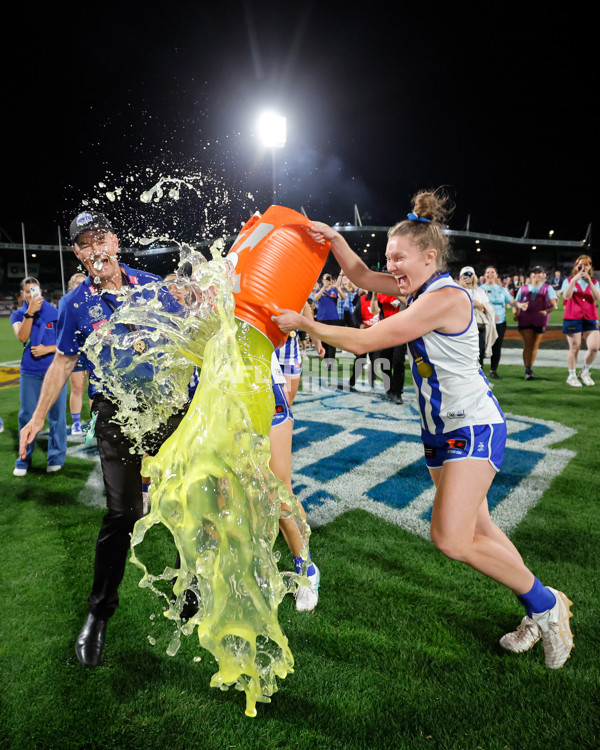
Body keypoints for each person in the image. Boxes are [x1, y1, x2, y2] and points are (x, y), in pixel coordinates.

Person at [272, 189, 573, 670]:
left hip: (474, 426)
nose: (391, 268)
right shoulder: (417, 288)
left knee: (451, 538)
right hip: (440, 431)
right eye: (389, 257)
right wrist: (332, 239)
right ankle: (539, 606)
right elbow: (361, 276)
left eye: (399, 258)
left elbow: (370, 339)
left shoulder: (445, 296)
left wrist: (309, 324)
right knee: (481, 527)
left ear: (430, 256)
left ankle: (548, 605)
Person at [18, 211, 186, 668]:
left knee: (191, 495)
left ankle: (190, 583)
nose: (95, 250)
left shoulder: (151, 286)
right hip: (114, 410)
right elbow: (62, 364)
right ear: (77, 253)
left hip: (167, 406)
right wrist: (35, 419)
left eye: (100, 239)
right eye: (84, 244)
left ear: (115, 240)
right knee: (124, 511)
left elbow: (192, 339)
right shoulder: (75, 303)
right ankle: (98, 615)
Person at [11, 277, 67, 476]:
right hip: (30, 372)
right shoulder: (19, 315)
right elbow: (22, 337)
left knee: (56, 416)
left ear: (41, 290)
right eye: (27, 291)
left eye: (34, 289)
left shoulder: (55, 312)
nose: (30, 293)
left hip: (56, 372)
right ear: (22, 294)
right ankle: (23, 458)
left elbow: (66, 341)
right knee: (26, 415)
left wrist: (46, 349)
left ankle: (56, 457)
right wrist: (30, 313)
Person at [561, 255, 600, 387]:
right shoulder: (568, 281)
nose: (583, 267)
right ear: (576, 266)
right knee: (574, 347)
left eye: (586, 265)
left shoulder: (594, 282)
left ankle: (585, 371)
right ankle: (571, 375)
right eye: (580, 265)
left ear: (590, 267)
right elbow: (566, 296)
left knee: (594, 347)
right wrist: (574, 280)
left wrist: (589, 281)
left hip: (591, 316)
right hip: (573, 317)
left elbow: (597, 297)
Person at [480, 266, 524, 379]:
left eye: (492, 272)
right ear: (484, 275)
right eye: (488, 272)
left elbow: (511, 301)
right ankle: (478, 370)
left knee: (497, 346)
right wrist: (490, 315)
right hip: (484, 323)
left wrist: (520, 305)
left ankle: (493, 370)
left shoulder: (502, 289)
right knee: (481, 347)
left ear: (496, 275)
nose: (490, 274)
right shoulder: (479, 290)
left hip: (500, 322)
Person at [515, 266, 557, 380]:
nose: (536, 275)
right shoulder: (523, 289)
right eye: (534, 272)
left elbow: (554, 305)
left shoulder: (548, 288)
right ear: (530, 275)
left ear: (544, 275)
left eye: (539, 273)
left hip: (540, 320)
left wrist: (546, 311)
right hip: (525, 319)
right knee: (529, 343)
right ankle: (527, 369)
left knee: (535, 345)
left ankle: (530, 367)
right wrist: (515, 313)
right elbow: (516, 302)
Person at [59, 272, 88, 436]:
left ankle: (94, 423)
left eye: (84, 283)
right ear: (71, 285)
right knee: (77, 387)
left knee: (95, 389)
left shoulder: (94, 300)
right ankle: (76, 424)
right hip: (75, 350)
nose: (81, 286)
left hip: (92, 349)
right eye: (77, 283)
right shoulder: (66, 302)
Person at [457, 266, 497, 369]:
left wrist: (479, 305)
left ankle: (479, 377)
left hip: (478, 327)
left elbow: (487, 310)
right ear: (460, 277)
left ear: (474, 277)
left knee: (479, 353)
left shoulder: (479, 292)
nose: (468, 277)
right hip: (461, 328)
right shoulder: (456, 291)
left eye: (470, 275)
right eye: (465, 275)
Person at [374, 286, 407, 403]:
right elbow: (374, 311)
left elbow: (408, 302)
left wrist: (395, 291)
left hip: (400, 331)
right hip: (385, 331)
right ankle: (389, 389)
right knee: (384, 361)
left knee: (398, 361)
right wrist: (374, 295)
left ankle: (397, 392)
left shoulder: (403, 290)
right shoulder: (381, 293)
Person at [313, 272, 345, 364]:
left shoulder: (334, 290)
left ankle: (331, 362)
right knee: (323, 340)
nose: (327, 281)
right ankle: (325, 359)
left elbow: (343, 297)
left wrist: (336, 287)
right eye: (325, 279)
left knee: (332, 341)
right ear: (322, 281)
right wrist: (323, 287)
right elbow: (316, 298)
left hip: (333, 318)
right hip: (322, 318)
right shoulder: (319, 290)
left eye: (329, 279)